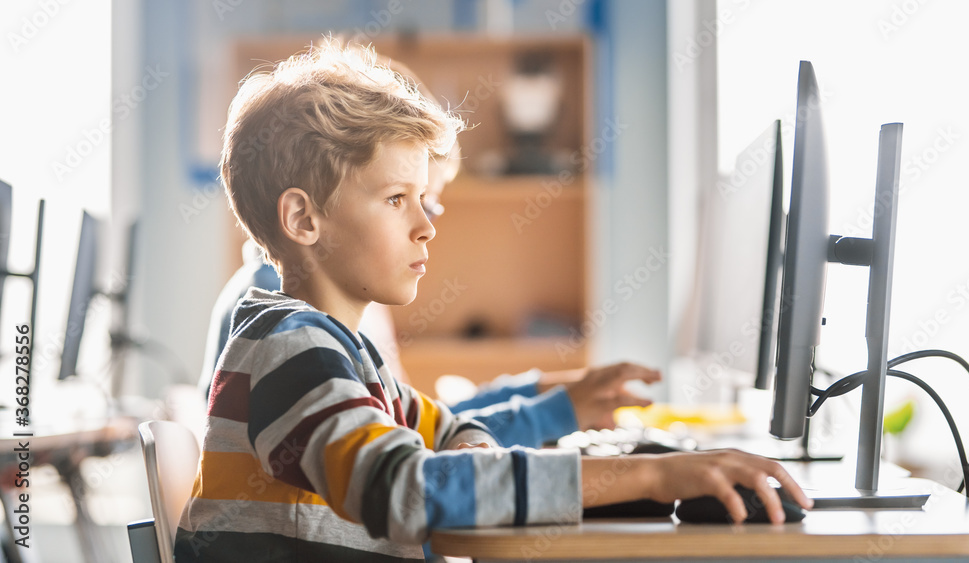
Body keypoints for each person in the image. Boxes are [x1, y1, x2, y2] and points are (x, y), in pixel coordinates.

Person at [177, 38, 811, 562]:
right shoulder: (288, 346)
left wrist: (468, 457)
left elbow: (448, 427)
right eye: (398, 199)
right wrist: (650, 476)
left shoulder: (348, 352)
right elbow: (402, 489)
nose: (428, 224)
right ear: (303, 218)